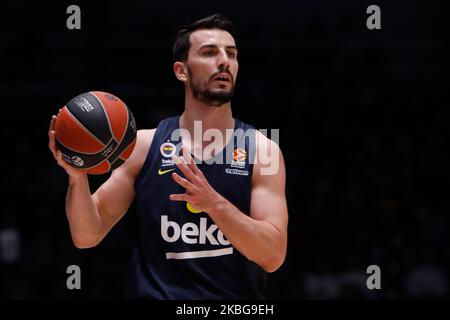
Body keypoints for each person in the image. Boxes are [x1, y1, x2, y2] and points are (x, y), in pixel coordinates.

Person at [48, 13, 288, 299]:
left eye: (231, 54)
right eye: (209, 52)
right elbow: (87, 235)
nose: (224, 61)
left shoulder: (262, 150)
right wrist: (78, 176)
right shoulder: (145, 145)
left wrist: (214, 205)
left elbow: (273, 256)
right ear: (181, 71)